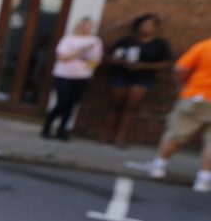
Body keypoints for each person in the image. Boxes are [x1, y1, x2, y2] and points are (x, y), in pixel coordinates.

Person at [137, 37, 211, 193]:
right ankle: (204, 179)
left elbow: (180, 69)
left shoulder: (205, 46)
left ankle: (159, 166)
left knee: (177, 134)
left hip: (198, 96)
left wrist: (182, 86)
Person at [103, 14, 171, 146]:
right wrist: (122, 62)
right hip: (121, 75)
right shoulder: (126, 41)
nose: (147, 28)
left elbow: (166, 63)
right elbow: (109, 57)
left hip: (143, 78)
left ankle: (121, 137)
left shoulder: (160, 44)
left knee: (131, 107)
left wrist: (144, 65)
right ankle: (107, 134)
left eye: (150, 25)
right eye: (144, 24)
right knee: (115, 104)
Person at [42, 17, 104, 140]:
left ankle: (62, 130)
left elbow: (96, 61)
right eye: (84, 25)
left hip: (82, 76)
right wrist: (81, 51)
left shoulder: (95, 41)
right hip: (63, 75)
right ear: (79, 26)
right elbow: (62, 58)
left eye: (89, 26)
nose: (86, 28)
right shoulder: (69, 39)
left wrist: (89, 61)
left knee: (72, 104)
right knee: (62, 102)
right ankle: (47, 126)